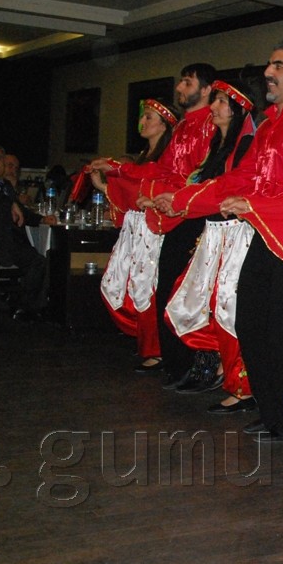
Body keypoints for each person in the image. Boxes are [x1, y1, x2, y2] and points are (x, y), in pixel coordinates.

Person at [156, 42, 283, 441]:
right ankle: (273, 415)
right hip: (263, 234)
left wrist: (255, 202)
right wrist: (184, 199)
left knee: (280, 333)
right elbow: (239, 179)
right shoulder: (268, 125)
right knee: (250, 323)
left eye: (278, 65)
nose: (269, 72)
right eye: (270, 64)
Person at [94, 63, 219, 390]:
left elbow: (198, 177)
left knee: (186, 293)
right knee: (166, 290)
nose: (180, 87)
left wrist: (132, 177)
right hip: (171, 214)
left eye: (188, 82)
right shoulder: (181, 129)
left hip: (194, 216)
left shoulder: (210, 126)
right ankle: (177, 364)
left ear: (205, 89)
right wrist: (121, 171)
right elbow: (159, 172)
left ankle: (194, 366)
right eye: (181, 81)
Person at [162, 80, 257, 402]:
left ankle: (239, 384)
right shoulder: (217, 146)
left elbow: (228, 188)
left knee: (227, 306)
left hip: (235, 234)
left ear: (237, 107)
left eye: (220, 102)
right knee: (197, 301)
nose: (213, 108)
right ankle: (212, 365)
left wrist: (181, 199)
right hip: (213, 233)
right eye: (214, 100)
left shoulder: (245, 145)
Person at [91, 99, 177, 372]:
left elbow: (147, 188)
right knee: (122, 284)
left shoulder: (165, 160)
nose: (143, 122)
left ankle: (156, 349)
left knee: (147, 287)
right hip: (135, 228)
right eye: (143, 117)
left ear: (164, 124)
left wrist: (114, 173)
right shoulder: (142, 157)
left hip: (152, 229)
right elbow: (129, 195)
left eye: (150, 117)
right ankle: (146, 342)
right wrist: (104, 186)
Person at [0, 142, 57, 322]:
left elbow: (21, 211)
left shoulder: (5, 185)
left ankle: (33, 305)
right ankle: (23, 307)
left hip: (11, 241)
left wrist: (41, 219)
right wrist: (12, 203)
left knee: (46, 257)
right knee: (39, 261)